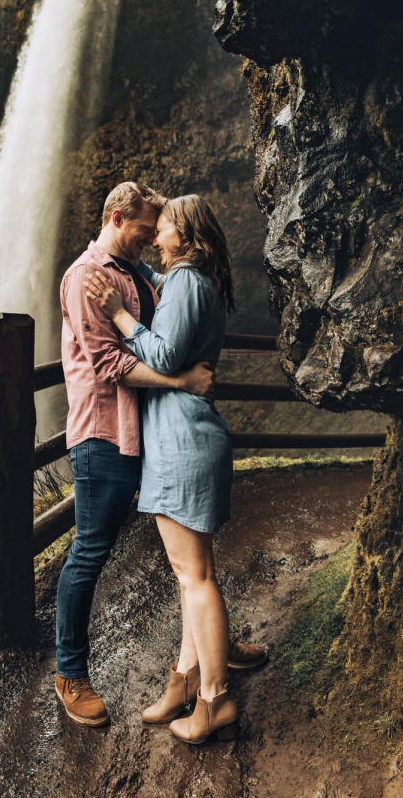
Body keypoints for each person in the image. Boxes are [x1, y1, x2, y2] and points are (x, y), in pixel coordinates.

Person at [85, 194, 266, 745]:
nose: (155, 238)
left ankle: (214, 700)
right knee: (193, 576)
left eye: (160, 230)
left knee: (196, 578)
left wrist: (117, 313)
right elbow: (152, 278)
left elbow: (162, 357)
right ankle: (185, 681)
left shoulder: (187, 282)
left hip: (183, 440)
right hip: (185, 437)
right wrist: (124, 261)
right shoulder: (189, 280)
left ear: (185, 237)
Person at [55, 181, 218, 728]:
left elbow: (169, 311)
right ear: (120, 218)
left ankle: (206, 648)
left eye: (158, 232)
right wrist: (183, 382)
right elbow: (110, 365)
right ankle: (70, 673)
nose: (153, 240)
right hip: (103, 435)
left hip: (146, 435)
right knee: (90, 552)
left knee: (185, 560)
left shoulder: (137, 274)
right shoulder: (87, 278)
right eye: (147, 230)